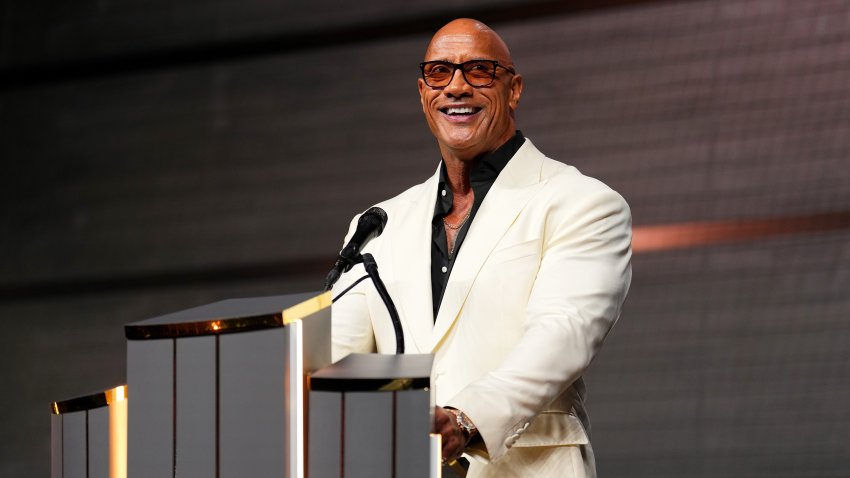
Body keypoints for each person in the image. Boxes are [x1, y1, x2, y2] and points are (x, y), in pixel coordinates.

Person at [331, 18, 632, 477]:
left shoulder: (581, 202)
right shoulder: (378, 224)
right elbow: (340, 364)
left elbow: (563, 333)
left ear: (513, 90)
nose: (456, 87)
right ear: (422, 94)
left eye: (479, 71)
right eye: (439, 73)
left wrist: (466, 420)